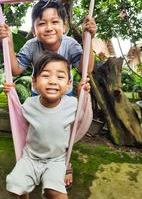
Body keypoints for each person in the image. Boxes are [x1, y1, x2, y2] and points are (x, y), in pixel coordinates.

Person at [0, 0, 96, 186]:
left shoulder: (70, 44)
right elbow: (16, 69)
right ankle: (34, 161)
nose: (49, 27)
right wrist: (8, 42)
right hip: (39, 96)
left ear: (64, 26)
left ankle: (64, 163)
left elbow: (86, 69)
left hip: (65, 97)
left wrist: (87, 40)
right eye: (42, 23)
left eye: (55, 22)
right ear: (34, 30)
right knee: (39, 132)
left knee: (62, 134)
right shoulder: (31, 45)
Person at [5, 51, 90, 199]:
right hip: (30, 158)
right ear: (34, 82)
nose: (52, 81)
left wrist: (83, 94)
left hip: (56, 160)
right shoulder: (29, 104)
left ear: (69, 84)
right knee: (15, 186)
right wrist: (11, 94)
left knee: (55, 193)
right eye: (45, 76)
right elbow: (19, 119)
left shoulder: (72, 104)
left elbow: (84, 116)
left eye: (60, 77)